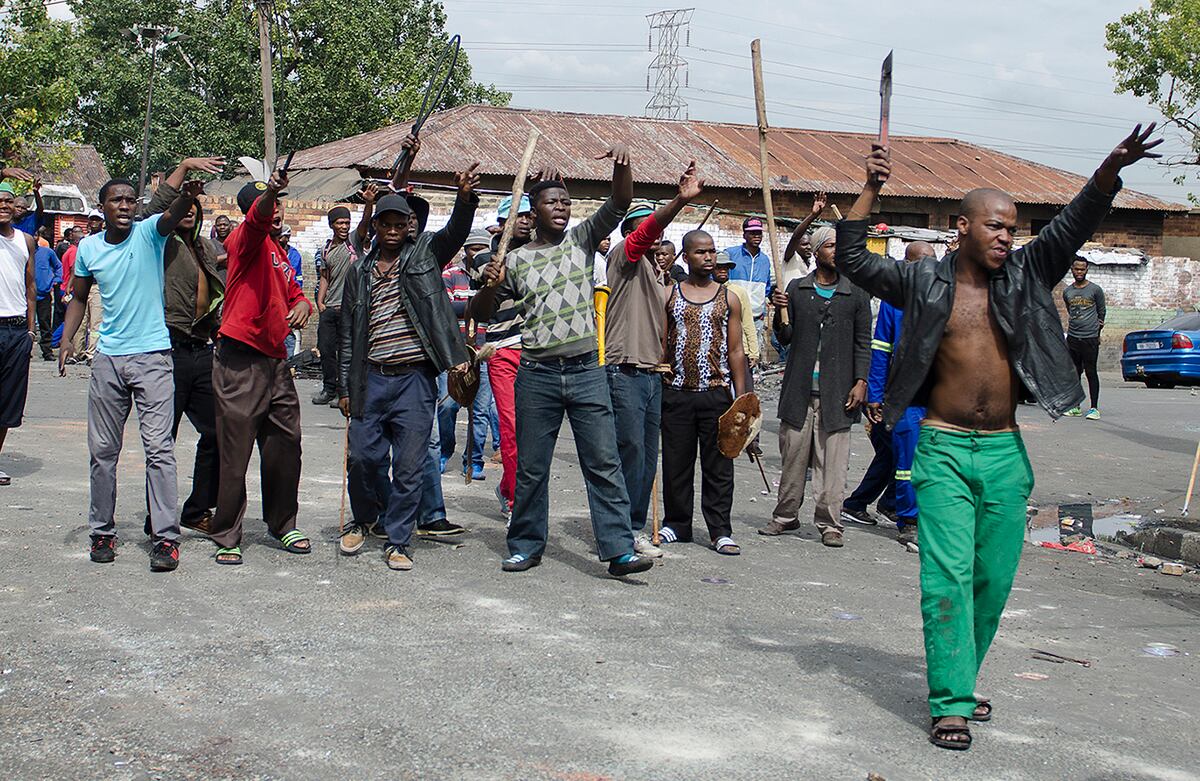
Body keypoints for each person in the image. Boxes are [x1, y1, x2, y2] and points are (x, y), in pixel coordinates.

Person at [836, 126, 1160, 750]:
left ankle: (961, 675)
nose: (1007, 237)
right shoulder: (922, 282)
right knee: (947, 576)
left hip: (1007, 453)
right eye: (995, 226)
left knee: (992, 581)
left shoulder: (1027, 274)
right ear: (963, 227)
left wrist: (1108, 169)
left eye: (1013, 227)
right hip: (944, 447)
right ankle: (951, 702)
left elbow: (1073, 224)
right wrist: (870, 190)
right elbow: (852, 257)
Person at [474, 144, 655, 578]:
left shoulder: (581, 239)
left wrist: (621, 166)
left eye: (567, 202)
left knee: (603, 462)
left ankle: (617, 551)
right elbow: (479, 314)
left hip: (586, 371)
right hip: (535, 374)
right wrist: (488, 286)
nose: (562, 208)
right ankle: (524, 545)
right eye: (552, 202)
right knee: (532, 468)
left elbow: (621, 203)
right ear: (532, 210)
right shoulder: (514, 259)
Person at [335, 166, 479, 569]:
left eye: (402, 224)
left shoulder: (424, 256)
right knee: (363, 458)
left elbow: (455, 232)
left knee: (411, 465)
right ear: (376, 225)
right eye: (388, 223)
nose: (395, 230)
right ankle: (364, 519)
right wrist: (345, 386)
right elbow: (347, 332)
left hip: (414, 380)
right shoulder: (360, 271)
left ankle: (398, 539)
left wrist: (464, 199)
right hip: (370, 377)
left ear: (409, 227)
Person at [59, 176, 202, 571]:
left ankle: (165, 537)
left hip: (153, 357)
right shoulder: (88, 248)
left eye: (129, 200)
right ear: (102, 207)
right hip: (108, 359)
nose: (124, 205)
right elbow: (79, 296)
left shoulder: (148, 235)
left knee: (159, 451)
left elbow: (170, 216)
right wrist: (67, 338)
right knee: (103, 452)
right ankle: (102, 531)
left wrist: (187, 195)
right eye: (115, 200)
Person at [208, 171, 314, 566]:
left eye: (280, 204)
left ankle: (283, 523)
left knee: (286, 446)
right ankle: (228, 533)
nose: (278, 211)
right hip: (240, 357)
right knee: (236, 452)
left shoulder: (278, 251)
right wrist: (269, 193)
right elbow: (256, 220)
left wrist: (303, 304)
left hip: (276, 361)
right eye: (272, 205)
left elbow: (296, 292)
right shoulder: (244, 240)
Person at [603, 163, 704, 558]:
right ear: (632, 232)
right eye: (647, 228)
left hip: (651, 374)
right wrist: (679, 200)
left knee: (646, 458)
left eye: (659, 231)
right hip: (623, 369)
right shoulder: (624, 256)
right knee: (627, 454)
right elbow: (644, 233)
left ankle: (633, 526)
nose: (655, 234)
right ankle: (620, 530)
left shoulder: (659, 273)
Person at [758, 226, 870, 548]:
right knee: (792, 459)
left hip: (838, 394)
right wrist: (779, 313)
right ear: (818, 251)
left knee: (832, 465)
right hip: (799, 391)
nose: (837, 251)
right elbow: (786, 337)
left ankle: (830, 523)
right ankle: (785, 516)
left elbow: (863, 342)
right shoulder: (797, 290)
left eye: (840, 246)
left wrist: (861, 382)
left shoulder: (855, 293)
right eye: (831, 246)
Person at [144, 156, 227, 537]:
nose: (189, 213)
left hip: (200, 350)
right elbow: (158, 205)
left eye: (195, 208)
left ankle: (196, 510)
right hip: (167, 350)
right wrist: (185, 166)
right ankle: (157, 517)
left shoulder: (207, 250)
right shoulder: (157, 242)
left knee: (217, 432)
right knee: (164, 439)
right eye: (184, 208)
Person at [657, 229, 749, 554]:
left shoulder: (729, 298)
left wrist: (743, 399)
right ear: (686, 257)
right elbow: (662, 343)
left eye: (711, 251)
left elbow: (736, 351)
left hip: (717, 395)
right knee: (676, 463)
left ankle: (720, 530)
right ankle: (676, 524)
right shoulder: (669, 294)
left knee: (719, 466)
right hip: (677, 393)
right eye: (700, 252)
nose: (708, 257)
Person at [857, 240, 936, 548]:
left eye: (932, 262)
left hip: (941, 397)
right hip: (905, 397)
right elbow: (880, 349)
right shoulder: (894, 302)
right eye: (920, 263)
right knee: (907, 462)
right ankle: (909, 521)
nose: (927, 269)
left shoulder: (947, 296)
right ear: (906, 265)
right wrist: (874, 395)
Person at [466, 194, 535, 520]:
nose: (525, 221)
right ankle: (513, 501)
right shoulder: (485, 257)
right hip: (503, 349)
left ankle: (512, 489)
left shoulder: (541, 251)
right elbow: (490, 285)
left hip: (537, 350)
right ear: (504, 222)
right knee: (510, 428)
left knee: (533, 430)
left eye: (528, 215)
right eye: (517, 216)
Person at [438, 229, 497, 480]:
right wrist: (478, 304)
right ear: (465, 250)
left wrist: (474, 304)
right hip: (454, 351)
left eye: (483, 250)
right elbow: (445, 308)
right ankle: (444, 451)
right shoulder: (451, 276)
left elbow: (496, 313)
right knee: (448, 405)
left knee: (480, 410)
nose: (477, 254)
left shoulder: (494, 278)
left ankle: (472, 461)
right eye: (473, 249)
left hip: (483, 352)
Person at [0, 183, 38, 488]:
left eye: (8, 201)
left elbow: (30, 287)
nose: (3, 205)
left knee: (8, 402)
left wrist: (30, 330)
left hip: (15, 331)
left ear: (16, 207)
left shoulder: (25, 241)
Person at [313, 205, 360, 406]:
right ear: (332, 225)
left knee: (347, 351)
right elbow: (325, 277)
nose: (344, 226)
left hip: (350, 309)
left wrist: (368, 204)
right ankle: (329, 388)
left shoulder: (355, 243)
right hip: (330, 309)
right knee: (326, 349)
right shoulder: (326, 249)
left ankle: (344, 392)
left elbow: (367, 222)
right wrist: (320, 302)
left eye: (347, 223)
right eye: (340, 223)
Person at [1063, 257, 1106, 419]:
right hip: (1073, 337)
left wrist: (1097, 333)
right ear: (1072, 270)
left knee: (1091, 372)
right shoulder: (1068, 291)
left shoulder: (1095, 290)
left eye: (1082, 269)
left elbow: (1101, 313)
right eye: (1076, 269)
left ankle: (1094, 408)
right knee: (1074, 373)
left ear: (1087, 270)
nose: (1079, 272)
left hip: (1090, 338)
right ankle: (1075, 406)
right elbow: (1071, 311)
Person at [724, 216, 774, 354]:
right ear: (744, 235)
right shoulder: (730, 254)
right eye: (752, 233)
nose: (756, 236)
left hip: (756, 319)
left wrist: (762, 309)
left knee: (752, 358)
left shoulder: (765, 260)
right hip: (733, 318)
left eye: (759, 233)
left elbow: (767, 288)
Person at [713, 251, 760, 371]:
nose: (723, 271)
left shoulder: (738, 292)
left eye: (726, 268)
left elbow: (748, 322)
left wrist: (753, 352)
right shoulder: (706, 293)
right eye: (719, 267)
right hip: (715, 350)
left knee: (743, 387)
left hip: (739, 348)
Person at [32, 234, 62, 361]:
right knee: (25, 325)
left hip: (43, 294)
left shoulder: (47, 252)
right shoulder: (22, 250)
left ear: (38, 237)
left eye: (35, 235)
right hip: (24, 295)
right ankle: (24, 350)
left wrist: (56, 279)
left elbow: (58, 266)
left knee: (45, 323)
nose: (33, 237)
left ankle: (47, 351)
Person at [279, 224, 303, 356]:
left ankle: (288, 363)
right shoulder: (272, 253)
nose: (281, 239)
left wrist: (297, 301)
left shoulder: (294, 255)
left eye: (284, 237)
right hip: (276, 299)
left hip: (289, 298)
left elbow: (297, 278)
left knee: (289, 332)